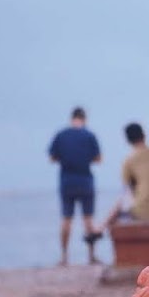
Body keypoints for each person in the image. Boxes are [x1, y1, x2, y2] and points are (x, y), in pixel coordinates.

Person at [48, 107, 102, 266]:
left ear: (72, 118)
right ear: (84, 119)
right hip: (85, 179)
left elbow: (52, 158)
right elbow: (98, 159)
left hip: (67, 180)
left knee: (66, 219)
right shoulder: (89, 135)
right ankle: (91, 256)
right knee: (88, 219)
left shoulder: (61, 135)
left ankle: (64, 257)